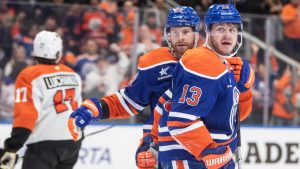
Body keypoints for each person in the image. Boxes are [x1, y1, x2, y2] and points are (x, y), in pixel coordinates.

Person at [68, 6, 201, 168]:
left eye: (185, 32)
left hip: (202, 152)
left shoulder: (213, 65)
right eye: (175, 32)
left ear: (195, 34)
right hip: (165, 152)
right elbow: (128, 101)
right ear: (168, 34)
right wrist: (96, 108)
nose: (180, 38)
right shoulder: (155, 65)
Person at [139, 3, 255, 169]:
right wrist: (210, 152)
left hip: (209, 158)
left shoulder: (226, 66)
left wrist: (244, 90)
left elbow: (235, 117)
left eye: (232, 29)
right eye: (220, 29)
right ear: (207, 32)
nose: (227, 35)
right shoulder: (201, 62)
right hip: (189, 159)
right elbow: (181, 121)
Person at [0, 30, 82, 169]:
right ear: (58, 52)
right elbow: (80, 112)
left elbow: (26, 116)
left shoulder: (29, 75)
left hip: (43, 146)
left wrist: (12, 147)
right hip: (72, 146)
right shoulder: (73, 75)